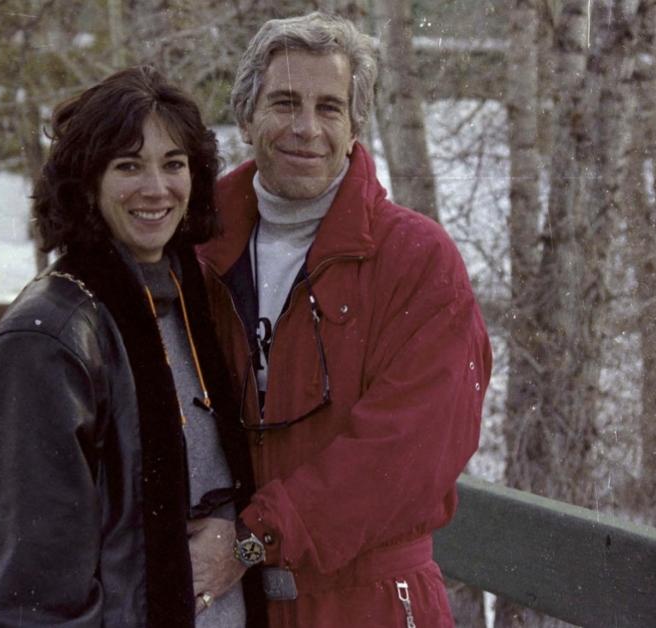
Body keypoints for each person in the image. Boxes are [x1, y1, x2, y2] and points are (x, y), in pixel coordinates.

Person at [190, 13, 492, 627]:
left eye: (330, 107)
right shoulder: (197, 247)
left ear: (356, 127)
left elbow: (408, 451)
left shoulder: (415, 259)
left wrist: (255, 537)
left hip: (368, 602)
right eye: (284, 102)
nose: (306, 128)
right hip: (231, 604)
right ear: (247, 118)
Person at [0, 66, 266, 628]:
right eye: (128, 166)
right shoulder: (47, 337)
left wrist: (239, 540)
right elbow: (25, 594)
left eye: (173, 164)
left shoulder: (190, 299)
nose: (156, 188)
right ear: (87, 182)